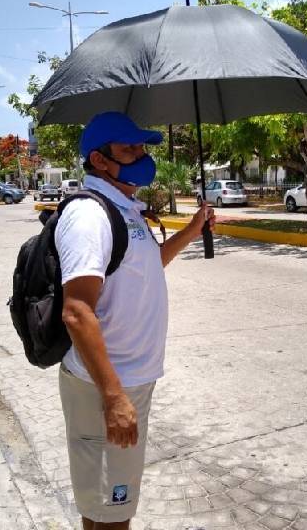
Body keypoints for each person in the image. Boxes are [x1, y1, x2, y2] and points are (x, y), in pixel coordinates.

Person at [56, 111, 215, 529]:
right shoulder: (90, 216)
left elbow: (146, 264)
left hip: (129, 379)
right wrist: (113, 397)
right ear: (100, 159)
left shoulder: (123, 208)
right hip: (104, 384)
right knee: (111, 511)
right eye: (130, 148)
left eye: (143, 147)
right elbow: (76, 310)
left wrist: (191, 231)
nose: (142, 155)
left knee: (110, 506)